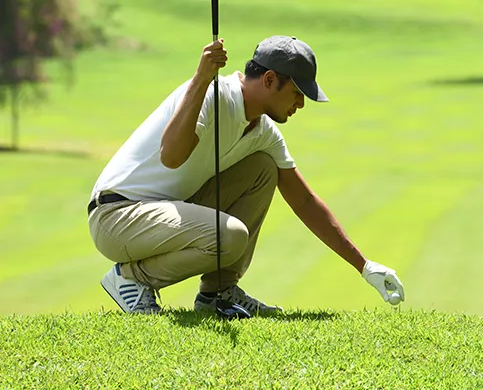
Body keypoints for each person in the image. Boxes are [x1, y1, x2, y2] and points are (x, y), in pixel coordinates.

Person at [86, 35, 405, 315]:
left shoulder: (263, 133)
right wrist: (200, 77)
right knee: (231, 235)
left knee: (263, 168)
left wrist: (364, 265)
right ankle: (132, 278)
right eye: (297, 92)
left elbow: (305, 202)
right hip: (117, 215)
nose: (301, 104)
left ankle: (218, 293)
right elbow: (171, 156)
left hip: (163, 213)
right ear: (269, 80)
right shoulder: (213, 94)